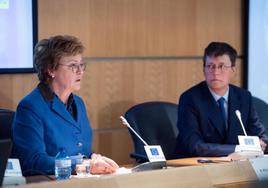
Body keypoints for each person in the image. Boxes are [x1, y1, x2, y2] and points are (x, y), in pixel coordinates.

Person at [12, 35, 119, 175]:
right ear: (51, 70)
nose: (80, 71)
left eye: (81, 65)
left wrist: (95, 159)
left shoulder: (79, 104)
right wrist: (82, 165)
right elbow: (33, 161)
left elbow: (81, 150)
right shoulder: (30, 107)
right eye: (73, 65)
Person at [175, 41, 268, 157]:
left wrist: (262, 143)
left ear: (233, 69)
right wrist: (238, 149)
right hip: (197, 166)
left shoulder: (244, 97)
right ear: (204, 69)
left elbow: (261, 135)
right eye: (210, 66)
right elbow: (194, 146)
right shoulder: (190, 99)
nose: (215, 72)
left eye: (221, 66)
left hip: (235, 165)